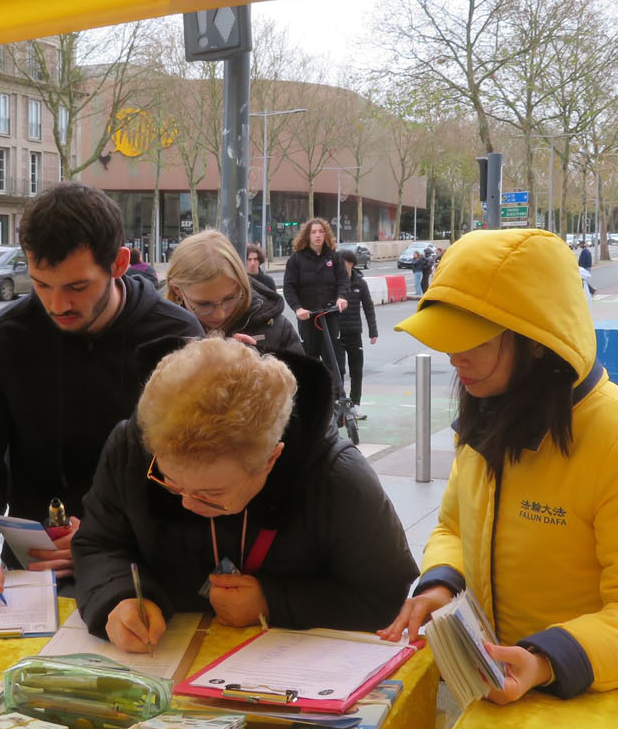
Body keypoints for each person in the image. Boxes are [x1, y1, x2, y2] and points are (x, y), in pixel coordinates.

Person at [379, 228, 618, 700]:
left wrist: (547, 659)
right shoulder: (489, 410)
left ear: (536, 340)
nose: (453, 357)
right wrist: (441, 585)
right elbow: (453, 527)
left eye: (472, 341)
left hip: (598, 709)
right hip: (499, 695)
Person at [0, 182, 202, 602]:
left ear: (118, 263)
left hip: (143, 570)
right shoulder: (1, 340)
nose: (56, 304)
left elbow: (194, 474)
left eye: (77, 287)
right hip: (34, 575)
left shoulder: (174, 335)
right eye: (41, 285)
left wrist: (102, 537)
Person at [74, 337, 416, 649]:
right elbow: (99, 543)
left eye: (211, 493)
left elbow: (385, 596)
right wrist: (119, 597)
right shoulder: (131, 448)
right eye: (170, 482)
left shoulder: (336, 479)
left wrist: (274, 602)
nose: (188, 503)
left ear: (271, 459)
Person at [164, 230, 304, 357]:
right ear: (177, 290)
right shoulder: (157, 333)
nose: (220, 314)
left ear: (242, 284)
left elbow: (309, 383)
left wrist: (260, 368)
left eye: (230, 299)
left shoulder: (275, 327)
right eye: (204, 304)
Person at [283, 218, 349, 379]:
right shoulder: (296, 259)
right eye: (313, 232)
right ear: (307, 236)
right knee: (310, 356)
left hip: (330, 314)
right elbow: (289, 287)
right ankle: (314, 394)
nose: (318, 235)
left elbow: (342, 281)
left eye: (321, 232)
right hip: (308, 315)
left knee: (332, 356)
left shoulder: (333, 257)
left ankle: (336, 394)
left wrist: (341, 298)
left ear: (326, 235)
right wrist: (298, 308)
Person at [335, 248, 378, 420]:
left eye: (343, 264)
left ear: (351, 264)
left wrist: (372, 331)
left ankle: (355, 404)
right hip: (337, 334)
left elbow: (368, 307)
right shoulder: (334, 284)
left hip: (354, 332)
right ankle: (340, 403)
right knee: (338, 370)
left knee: (356, 370)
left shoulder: (360, 283)